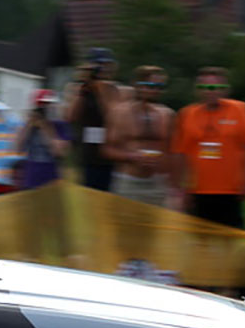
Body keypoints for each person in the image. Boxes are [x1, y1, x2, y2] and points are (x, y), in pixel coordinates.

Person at [169, 67, 245, 228]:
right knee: (200, 236)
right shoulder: (186, 114)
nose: (210, 92)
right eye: (204, 87)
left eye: (215, 87)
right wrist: (179, 189)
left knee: (230, 235)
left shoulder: (242, 110)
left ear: (225, 89)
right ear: (197, 90)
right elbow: (179, 154)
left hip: (232, 190)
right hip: (198, 190)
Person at [104, 67, 173, 209]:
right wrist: (132, 156)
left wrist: (173, 185)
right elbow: (107, 149)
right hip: (129, 183)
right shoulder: (119, 113)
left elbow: (172, 153)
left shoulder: (167, 114)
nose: (155, 90)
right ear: (137, 85)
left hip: (157, 184)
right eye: (150, 85)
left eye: (160, 87)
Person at [65, 47, 122, 192]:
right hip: (87, 154)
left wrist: (100, 89)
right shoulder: (79, 88)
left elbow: (113, 116)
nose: (102, 69)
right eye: (98, 65)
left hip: (110, 154)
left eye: (106, 65)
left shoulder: (115, 89)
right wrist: (83, 88)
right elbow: (70, 116)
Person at [13, 89, 68, 191]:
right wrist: (28, 125)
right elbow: (17, 148)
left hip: (51, 179)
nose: (47, 109)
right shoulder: (30, 125)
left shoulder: (59, 125)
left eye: (49, 105)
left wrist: (45, 127)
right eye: (43, 106)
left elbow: (59, 152)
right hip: (31, 178)